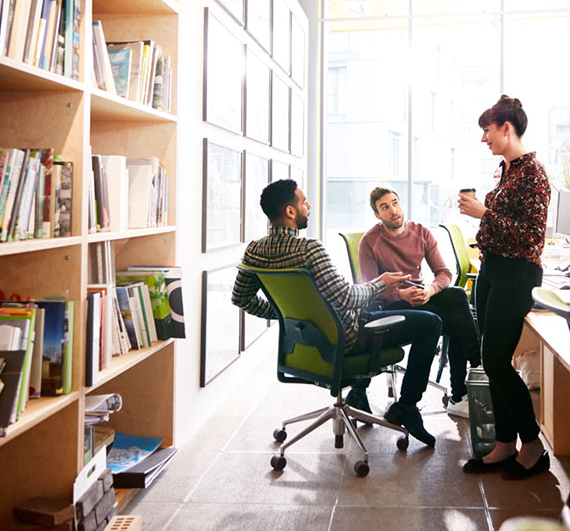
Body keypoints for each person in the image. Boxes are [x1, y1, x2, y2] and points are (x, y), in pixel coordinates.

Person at [232, 179, 442, 446]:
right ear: (290, 212)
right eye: (303, 202)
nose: (308, 206)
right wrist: (382, 283)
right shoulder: (309, 250)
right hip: (349, 338)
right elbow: (347, 298)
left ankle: (358, 394)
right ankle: (407, 407)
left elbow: (240, 298)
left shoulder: (254, 251)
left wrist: (286, 315)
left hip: (302, 345)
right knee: (431, 323)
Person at [458, 95, 552, 479]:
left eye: (487, 130)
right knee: (489, 358)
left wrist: (486, 213)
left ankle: (532, 446)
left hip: (517, 273)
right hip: (493, 269)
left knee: (497, 360)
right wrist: (486, 221)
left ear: (506, 128)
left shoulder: (534, 174)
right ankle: (503, 443)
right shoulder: (508, 171)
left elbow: (532, 236)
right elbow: (504, 225)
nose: (484, 138)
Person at [358, 187, 482, 418]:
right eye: (385, 207)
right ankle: (464, 388)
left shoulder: (420, 232)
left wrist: (430, 290)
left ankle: (474, 368)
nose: (393, 210)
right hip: (391, 305)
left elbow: (444, 272)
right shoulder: (370, 241)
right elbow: (369, 291)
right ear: (377, 215)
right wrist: (401, 295)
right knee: (456, 320)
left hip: (420, 297)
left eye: (395, 203)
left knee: (455, 296)